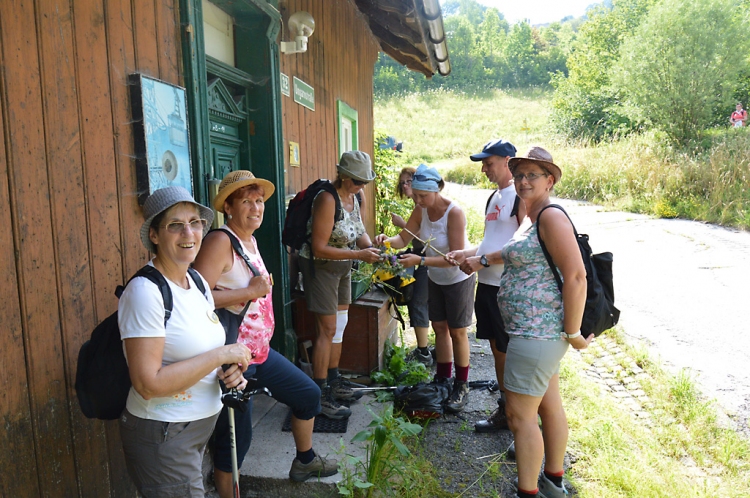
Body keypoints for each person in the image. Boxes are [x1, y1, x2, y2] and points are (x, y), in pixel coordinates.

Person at [193, 171, 337, 492]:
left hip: (259, 353)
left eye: (259, 201)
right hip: (232, 359)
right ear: (228, 207)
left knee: (308, 395)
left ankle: (305, 460)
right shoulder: (220, 241)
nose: (256, 207)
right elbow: (193, 298)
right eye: (246, 201)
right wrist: (248, 292)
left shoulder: (250, 241)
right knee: (233, 446)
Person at [118, 186, 253, 497]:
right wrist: (221, 354)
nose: (188, 232)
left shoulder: (196, 282)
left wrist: (229, 369)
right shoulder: (145, 293)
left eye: (195, 222)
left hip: (196, 427)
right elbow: (147, 383)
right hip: (164, 434)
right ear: (154, 235)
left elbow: (201, 349)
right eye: (174, 225)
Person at [486, 147, 592, 498]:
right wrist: (479, 259)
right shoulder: (533, 217)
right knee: (548, 406)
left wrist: (573, 332)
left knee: (519, 417)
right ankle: (552, 481)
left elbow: (576, 276)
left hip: (537, 333)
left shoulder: (550, 216)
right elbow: (519, 254)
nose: (523, 180)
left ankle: (527, 492)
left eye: (532, 175)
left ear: (550, 180)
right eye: (519, 175)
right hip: (535, 334)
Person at [375, 164, 475, 413]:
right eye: (416, 195)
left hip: (457, 278)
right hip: (435, 277)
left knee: (457, 331)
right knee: (439, 328)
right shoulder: (420, 209)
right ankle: (443, 378)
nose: (418, 200)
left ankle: (461, 385)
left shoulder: (454, 213)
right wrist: (385, 240)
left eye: (423, 196)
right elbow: (403, 239)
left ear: (437, 190)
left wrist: (420, 261)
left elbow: (455, 256)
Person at [446, 138, 526, 433]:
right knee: (496, 349)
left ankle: (520, 416)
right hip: (487, 285)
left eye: (488, 163)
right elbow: (490, 242)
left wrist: (483, 261)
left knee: (510, 351)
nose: (483, 170)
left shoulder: (520, 197)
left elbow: (523, 247)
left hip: (507, 287)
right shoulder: (494, 198)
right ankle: (506, 410)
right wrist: (466, 253)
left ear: (507, 161)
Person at [298, 151, 381, 419]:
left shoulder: (355, 197)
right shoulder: (326, 199)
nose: (361, 186)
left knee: (340, 326)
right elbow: (319, 248)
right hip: (321, 268)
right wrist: (358, 254)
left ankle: (334, 381)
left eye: (364, 182)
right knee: (327, 329)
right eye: (357, 181)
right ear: (343, 176)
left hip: (343, 266)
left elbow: (358, 232)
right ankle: (319, 394)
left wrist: (375, 248)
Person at [390, 167, 432, 366]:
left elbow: (425, 240)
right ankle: (431, 349)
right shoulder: (418, 207)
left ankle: (424, 352)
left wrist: (401, 226)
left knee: (419, 303)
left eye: (409, 181)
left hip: (429, 260)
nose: (405, 186)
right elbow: (404, 240)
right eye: (403, 183)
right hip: (419, 257)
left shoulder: (428, 205)